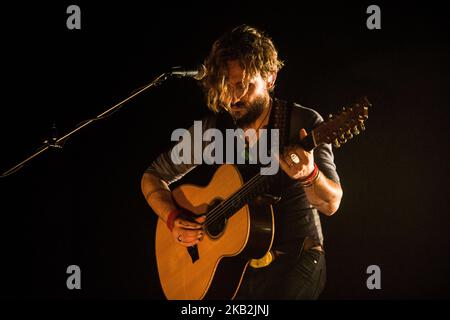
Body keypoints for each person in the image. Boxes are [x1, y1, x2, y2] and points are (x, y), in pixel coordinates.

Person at [141, 25, 343, 300]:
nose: (233, 97)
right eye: (225, 87)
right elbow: (152, 176)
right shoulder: (212, 131)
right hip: (241, 268)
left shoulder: (302, 122)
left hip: (297, 259)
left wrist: (310, 175)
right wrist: (173, 218)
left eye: (242, 85)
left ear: (270, 78)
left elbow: (331, 203)